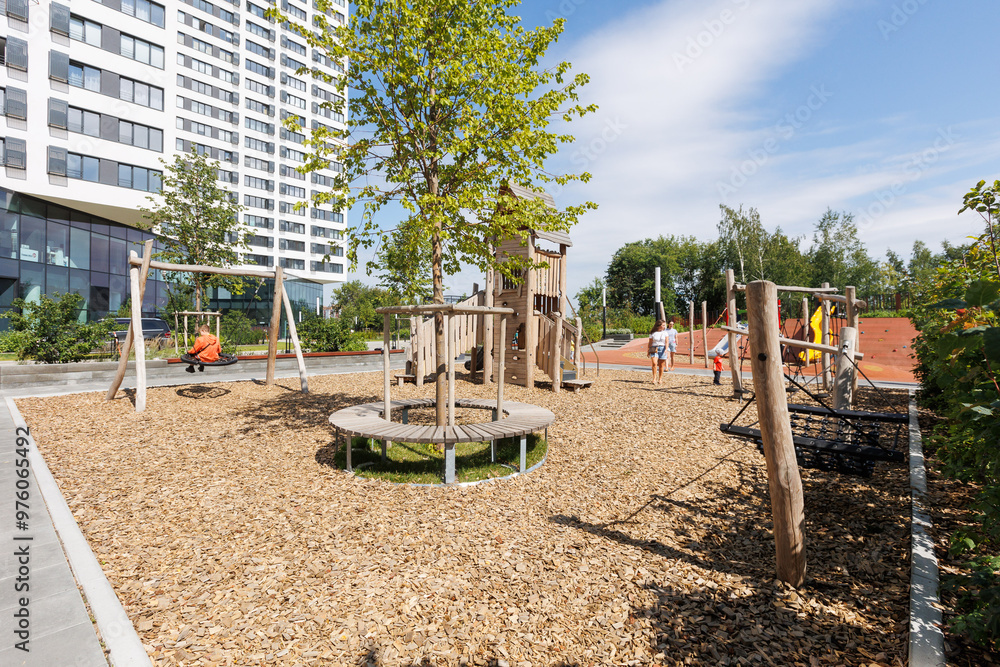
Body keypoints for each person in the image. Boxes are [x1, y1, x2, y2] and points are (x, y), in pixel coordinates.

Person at [647, 319, 668, 384]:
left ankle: (660, 379)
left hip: (662, 348)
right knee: (654, 363)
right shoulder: (653, 333)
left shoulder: (665, 333)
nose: (664, 326)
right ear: (659, 325)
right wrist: (648, 350)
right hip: (654, 348)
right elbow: (650, 342)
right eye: (663, 325)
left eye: (664, 325)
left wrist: (666, 349)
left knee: (661, 365)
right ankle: (654, 378)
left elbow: (667, 342)